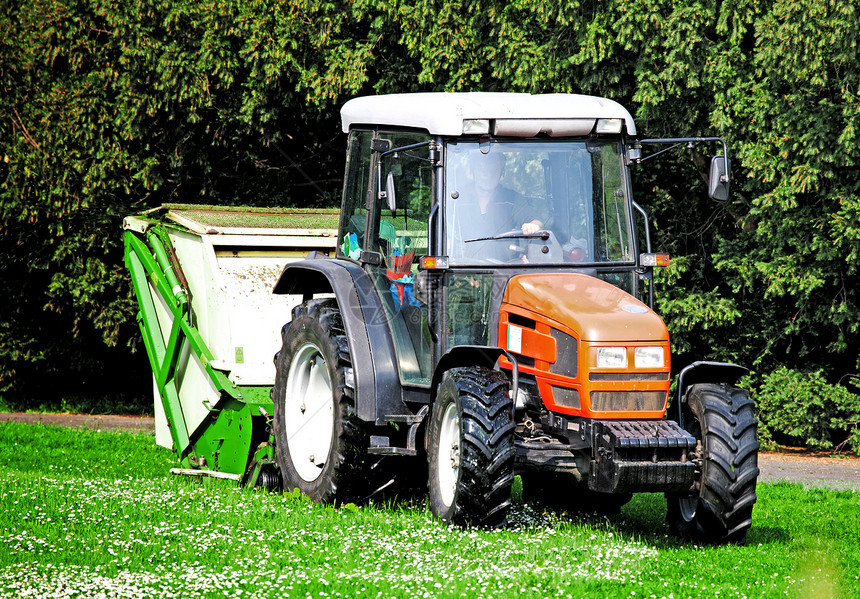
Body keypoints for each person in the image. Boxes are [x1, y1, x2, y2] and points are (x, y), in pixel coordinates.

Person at [449, 151, 547, 261]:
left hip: (504, 269)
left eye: (494, 170)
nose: (488, 174)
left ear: (502, 173)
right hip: (463, 269)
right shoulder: (457, 198)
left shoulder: (512, 198)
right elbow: (445, 228)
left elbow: (536, 221)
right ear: (473, 170)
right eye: (482, 169)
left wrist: (533, 226)